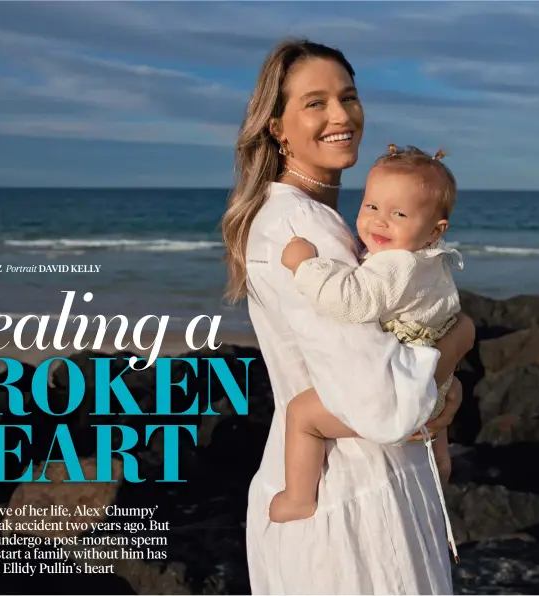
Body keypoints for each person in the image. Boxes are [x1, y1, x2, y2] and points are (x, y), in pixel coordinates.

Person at [221, 38, 475, 594]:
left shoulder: (312, 219)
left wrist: (443, 389)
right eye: (315, 102)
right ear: (277, 127)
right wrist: (457, 346)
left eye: (349, 97)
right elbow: (379, 397)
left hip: (353, 490)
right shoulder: (303, 230)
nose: (341, 116)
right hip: (351, 505)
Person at [267, 144, 465, 565]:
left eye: (399, 214)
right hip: (434, 377)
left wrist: (305, 265)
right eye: (372, 204)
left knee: (302, 414)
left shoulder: (395, 265)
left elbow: (351, 300)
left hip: (402, 383)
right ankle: (442, 471)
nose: (378, 220)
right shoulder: (432, 261)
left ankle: (298, 497)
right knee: (441, 422)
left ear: (434, 230)